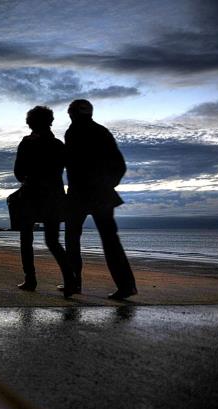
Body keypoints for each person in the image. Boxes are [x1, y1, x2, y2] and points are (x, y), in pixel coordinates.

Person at [64, 99, 137, 299]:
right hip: (85, 194)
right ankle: (123, 285)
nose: (73, 116)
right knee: (97, 239)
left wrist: (105, 185)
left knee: (86, 239)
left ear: (73, 114)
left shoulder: (93, 132)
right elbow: (119, 165)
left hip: (93, 194)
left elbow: (118, 165)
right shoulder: (84, 132)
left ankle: (76, 283)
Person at [13, 106, 76, 293]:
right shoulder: (58, 145)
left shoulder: (26, 143)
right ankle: (70, 280)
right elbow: (68, 169)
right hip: (54, 197)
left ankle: (30, 280)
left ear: (30, 123)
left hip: (31, 195)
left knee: (26, 238)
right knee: (53, 241)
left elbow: (18, 172)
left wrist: (27, 178)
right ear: (50, 122)